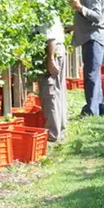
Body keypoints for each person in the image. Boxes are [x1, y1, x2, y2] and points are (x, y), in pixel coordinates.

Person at [67, 0, 104, 117]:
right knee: (93, 74)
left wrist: (79, 8)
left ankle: (91, 110)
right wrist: (73, 27)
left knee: (90, 74)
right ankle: (99, 108)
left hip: (94, 38)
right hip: (91, 37)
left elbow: (97, 17)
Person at [37, 13, 68, 142]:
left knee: (49, 93)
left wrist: (50, 59)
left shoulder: (40, 5)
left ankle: (52, 134)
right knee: (58, 90)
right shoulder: (45, 4)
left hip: (52, 51)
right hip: (58, 50)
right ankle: (60, 129)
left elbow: (50, 38)